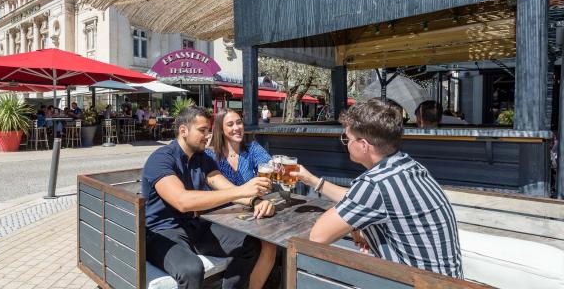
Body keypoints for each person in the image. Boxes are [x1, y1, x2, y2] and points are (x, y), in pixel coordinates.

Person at [291, 98, 463, 278]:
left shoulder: (374, 184)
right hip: (446, 281)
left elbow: (318, 237)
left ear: (363, 145)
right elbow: (359, 199)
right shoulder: (408, 166)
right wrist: (312, 180)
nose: (346, 144)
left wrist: (356, 225)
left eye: (347, 138)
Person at [142, 106, 276, 289]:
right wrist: (244, 190)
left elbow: (224, 186)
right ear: (183, 131)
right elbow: (182, 201)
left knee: (250, 245)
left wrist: (256, 201)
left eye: (209, 130)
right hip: (161, 231)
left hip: (194, 227)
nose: (208, 136)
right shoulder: (162, 159)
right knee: (191, 269)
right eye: (202, 130)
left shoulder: (203, 158)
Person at [205, 109, 276, 288]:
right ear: (220, 129)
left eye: (239, 122)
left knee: (270, 244)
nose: (237, 128)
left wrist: (276, 169)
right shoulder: (210, 155)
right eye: (230, 124)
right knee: (261, 245)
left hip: (251, 212)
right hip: (222, 217)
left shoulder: (252, 149)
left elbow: (271, 167)